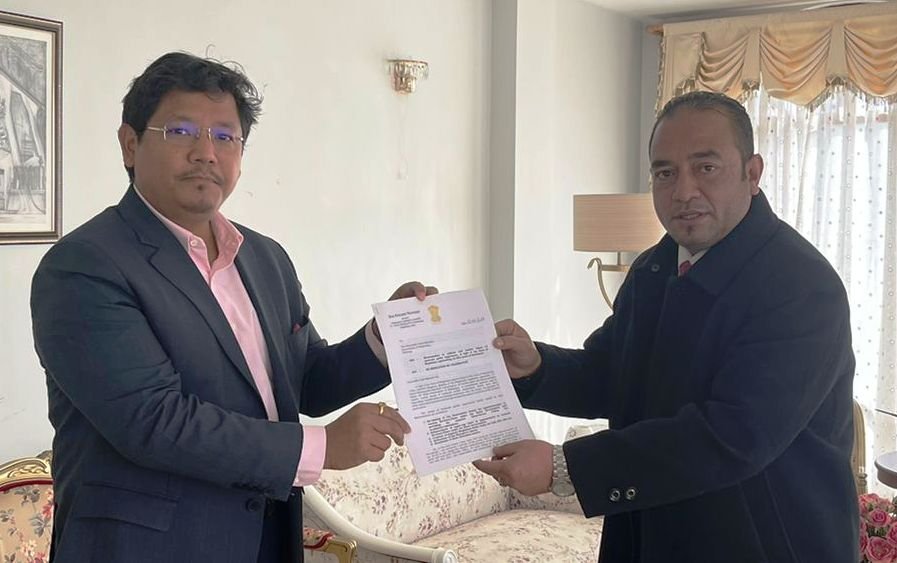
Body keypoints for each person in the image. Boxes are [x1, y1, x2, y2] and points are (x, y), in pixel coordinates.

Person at [31, 51, 433, 563]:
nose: (206, 153)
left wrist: (384, 338)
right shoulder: (84, 266)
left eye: (226, 136)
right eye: (181, 131)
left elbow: (304, 380)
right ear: (130, 144)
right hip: (148, 548)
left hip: (266, 537)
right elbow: (153, 421)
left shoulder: (264, 258)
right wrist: (322, 446)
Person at [474, 91, 858, 562]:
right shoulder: (655, 268)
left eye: (706, 167)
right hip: (650, 535)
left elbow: (733, 435)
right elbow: (611, 373)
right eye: (665, 173)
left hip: (764, 543)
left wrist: (565, 466)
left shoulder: (800, 285)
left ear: (753, 173)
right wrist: (535, 368)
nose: (683, 191)